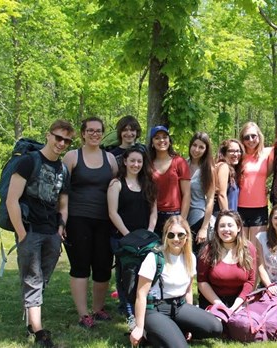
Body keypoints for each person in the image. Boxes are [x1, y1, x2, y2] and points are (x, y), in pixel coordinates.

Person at [6, 120, 74, 347]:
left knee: (41, 279)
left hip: (52, 232)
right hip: (30, 230)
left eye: (67, 140)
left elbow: (63, 203)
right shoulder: (28, 162)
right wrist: (22, 233)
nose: (61, 143)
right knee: (33, 279)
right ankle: (39, 331)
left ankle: (30, 316)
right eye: (58, 137)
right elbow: (12, 200)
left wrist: (61, 227)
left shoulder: (63, 169)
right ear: (48, 135)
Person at [129, 216, 223, 348]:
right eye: (171, 235)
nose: (176, 239)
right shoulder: (154, 257)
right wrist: (138, 327)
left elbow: (189, 290)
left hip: (179, 306)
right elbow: (141, 295)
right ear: (165, 236)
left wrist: (189, 323)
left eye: (180, 235)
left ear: (187, 236)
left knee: (216, 327)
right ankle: (148, 333)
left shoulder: (190, 257)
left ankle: (169, 331)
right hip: (155, 309)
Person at [63, 117, 119, 328]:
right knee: (80, 266)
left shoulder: (110, 159)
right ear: (83, 133)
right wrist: (62, 221)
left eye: (98, 131)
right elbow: (62, 192)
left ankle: (97, 309)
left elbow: (115, 187)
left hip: (104, 220)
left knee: (103, 267)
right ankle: (83, 313)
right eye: (90, 131)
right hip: (78, 220)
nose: (95, 134)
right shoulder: (71, 157)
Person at [107, 145, 158, 322]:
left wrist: (149, 234)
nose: (136, 164)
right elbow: (113, 213)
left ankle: (142, 307)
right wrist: (128, 236)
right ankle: (127, 309)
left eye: (139, 161)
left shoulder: (148, 184)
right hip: (122, 238)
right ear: (125, 162)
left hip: (145, 239)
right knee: (125, 274)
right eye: (132, 161)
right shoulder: (116, 184)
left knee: (143, 274)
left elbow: (153, 212)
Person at [197, 210, 256, 311]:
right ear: (217, 229)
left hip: (239, 302)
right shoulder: (208, 250)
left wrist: (235, 306)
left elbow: (250, 281)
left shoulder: (249, 248)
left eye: (230, 225)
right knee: (217, 326)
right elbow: (202, 281)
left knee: (241, 325)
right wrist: (221, 306)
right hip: (213, 301)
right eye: (222, 226)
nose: (226, 229)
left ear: (238, 228)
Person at [148, 126, 191, 237]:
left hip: (174, 215)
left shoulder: (179, 161)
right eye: (157, 138)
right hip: (152, 215)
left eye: (165, 137)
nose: (161, 140)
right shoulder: (147, 164)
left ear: (169, 141)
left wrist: (182, 220)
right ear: (152, 142)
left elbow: (187, 194)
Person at [238, 122, 273, 242]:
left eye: (253, 136)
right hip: (239, 207)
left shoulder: (268, 153)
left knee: (257, 248)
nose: (250, 140)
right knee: (240, 247)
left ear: (259, 136)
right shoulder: (238, 156)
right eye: (246, 137)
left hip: (260, 207)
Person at [186, 132, 215, 252]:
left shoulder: (208, 169)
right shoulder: (183, 163)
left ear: (206, 150)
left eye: (201, 147)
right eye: (194, 145)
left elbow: (210, 199)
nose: (196, 150)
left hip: (197, 216)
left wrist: (204, 228)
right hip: (181, 214)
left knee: (195, 253)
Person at [213, 139, 243, 215]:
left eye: (238, 151)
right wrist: (227, 217)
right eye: (231, 151)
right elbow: (221, 195)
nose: (236, 154)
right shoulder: (224, 166)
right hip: (221, 217)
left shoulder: (233, 171)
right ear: (224, 153)